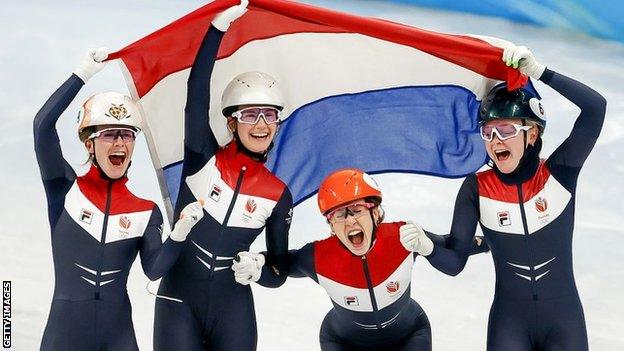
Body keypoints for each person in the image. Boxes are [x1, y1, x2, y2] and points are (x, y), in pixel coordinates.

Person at [401, 44, 607, 350]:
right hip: (510, 326)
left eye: (507, 130)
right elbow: (455, 261)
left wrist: (540, 73)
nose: (496, 140)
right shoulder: (476, 189)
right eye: (489, 132)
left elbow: (596, 109)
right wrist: (427, 246)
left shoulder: (559, 173)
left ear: (532, 134)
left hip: (564, 325)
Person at [34, 48, 203, 350]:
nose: (121, 143)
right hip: (66, 333)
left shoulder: (145, 211)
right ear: (89, 143)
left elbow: (153, 270)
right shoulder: (65, 189)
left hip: (118, 334)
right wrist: (81, 74)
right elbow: (42, 128)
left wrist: (178, 234)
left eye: (128, 135)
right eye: (111, 134)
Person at [153, 1, 293, 350]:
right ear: (231, 122)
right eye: (250, 115)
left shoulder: (278, 195)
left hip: (234, 311)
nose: (261, 124)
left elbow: (280, 270)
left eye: (269, 115)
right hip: (178, 302)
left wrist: (260, 269)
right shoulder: (202, 155)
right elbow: (195, 93)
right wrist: (217, 29)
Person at [260, 169, 487, 351]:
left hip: (409, 336)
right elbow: (279, 264)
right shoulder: (317, 257)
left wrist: (490, 244)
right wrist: (256, 262)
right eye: (339, 214)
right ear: (330, 225)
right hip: (342, 343)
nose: (349, 221)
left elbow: (450, 245)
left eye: (357, 209)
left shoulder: (401, 237)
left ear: (376, 213)